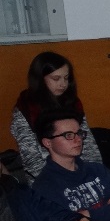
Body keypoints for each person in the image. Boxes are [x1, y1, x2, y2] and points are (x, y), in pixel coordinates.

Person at [32, 111, 110, 221]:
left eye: (79, 133)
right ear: (48, 142)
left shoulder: (97, 170)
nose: (78, 139)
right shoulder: (44, 186)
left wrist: (89, 214)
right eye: (68, 135)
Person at [11, 51, 103, 183]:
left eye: (66, 78)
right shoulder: (26, 108)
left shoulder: (72, 102)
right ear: (40, 79)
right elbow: (31, 158)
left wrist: (96, 174)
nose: (63, 84)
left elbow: (88, 145)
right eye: (56, 79)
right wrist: (61, 182)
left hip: (81, 172)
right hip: (48, 179)